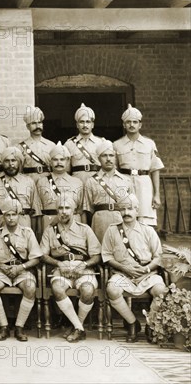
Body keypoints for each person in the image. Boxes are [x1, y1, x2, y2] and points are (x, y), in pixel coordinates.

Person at [102, 194, 167, 343]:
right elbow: (106, 256)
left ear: (137, 210)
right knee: (112, 290)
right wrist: (124, 268)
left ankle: (151, 324)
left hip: (147, 274)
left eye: (130, 208)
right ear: (119, 211)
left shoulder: (148, 231)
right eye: (123, 209)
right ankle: (132, 323)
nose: (126, 212)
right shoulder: (112, 231)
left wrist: (147, 269)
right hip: (123, 273)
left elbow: (158, 257)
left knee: (161, 291)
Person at [40, 194, 101, 343]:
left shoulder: (85, 229)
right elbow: (42, 255)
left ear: (74, 211)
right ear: (56, 210)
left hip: (83, 268)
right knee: (57, 288)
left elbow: (97, 255)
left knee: (87, 291)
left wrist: (84, 265)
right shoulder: (50, 230)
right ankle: (79, 328)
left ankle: (76, 327)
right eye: (60, 208)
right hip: (62, 268)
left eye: (67, 208)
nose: (64, 211)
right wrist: (58, 263)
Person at [0, 198, 43, 342]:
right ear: (3, 216)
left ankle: (19, 327)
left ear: (19, 215)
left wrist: (21, 267)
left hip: (22, 269)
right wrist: (1, 266)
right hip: (1, 269)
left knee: (30, 287)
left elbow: (36, 258)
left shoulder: (27, 233)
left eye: (13, 215)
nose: (10, 218)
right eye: (7, 215)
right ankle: (4, 327)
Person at [113, 104, 164, 227]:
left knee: (146, 220)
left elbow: (155, 169)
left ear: (140, 125)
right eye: (128, 122)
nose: (131, 125)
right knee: (125, 216)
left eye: (135, 122)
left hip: (144, 184)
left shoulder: (149, 144)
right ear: (124, 125)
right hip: (124, 183)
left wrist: (157, 195)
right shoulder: (116, 144)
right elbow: (113, 170)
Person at [83, 140, 134, 243]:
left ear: (115, 158)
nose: (108, 159)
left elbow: (133, 206)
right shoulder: (91, 181)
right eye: (104, 156)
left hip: (120, 219)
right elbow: (87, 209)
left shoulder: (126, 180)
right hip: (100, 222)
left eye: (111, 155)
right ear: (98, 159)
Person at [36, 142, 84, 231]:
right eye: (55, 160)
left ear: (68, 161)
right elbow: (38, 211)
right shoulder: (42, 182)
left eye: (62, 159)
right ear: (50, 162)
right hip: (49, 225)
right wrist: (39, 233)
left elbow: (81, 210)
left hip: (73, 225)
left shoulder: (77, 182)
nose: (59, 163)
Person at [0, 146, 42, 230]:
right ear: (2, 163)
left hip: (24, 224)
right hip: (2, 225)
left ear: (19, 162)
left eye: (13, 160)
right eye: (7, 161)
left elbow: (35, 210)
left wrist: (33, 232)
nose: (11, 164)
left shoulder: (29, 182)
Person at [64, 104, 103, 184]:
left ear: (92, 125)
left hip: (97, 184)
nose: (85, 125)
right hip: (77, 183)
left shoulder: (101, 143)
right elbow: (66, 171)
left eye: (88, 122)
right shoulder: (69, 144)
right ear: (77, 125)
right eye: (82, 122)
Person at [19, 107, 55, 183]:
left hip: (48, 183)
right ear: (28, 127)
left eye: (39, 123)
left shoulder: (51, 145)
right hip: (29, 183)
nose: (37, 126)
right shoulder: (21, 147)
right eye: (34, 123)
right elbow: (18, 171)